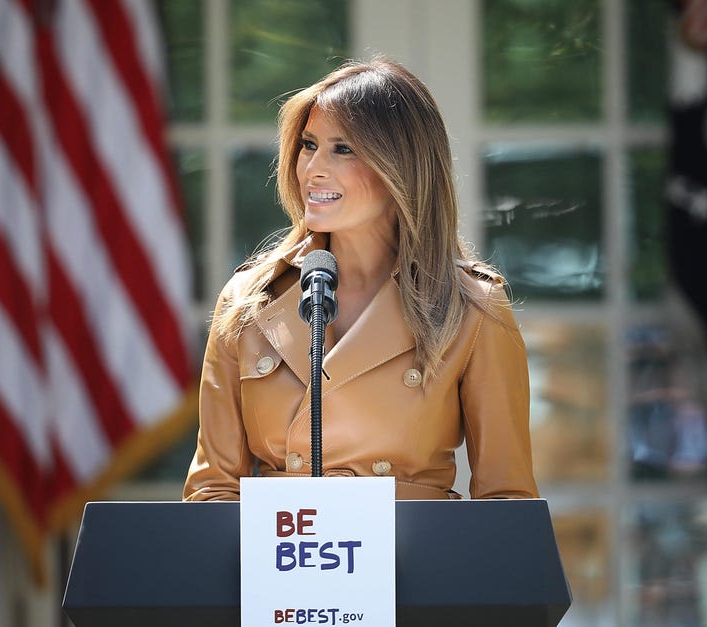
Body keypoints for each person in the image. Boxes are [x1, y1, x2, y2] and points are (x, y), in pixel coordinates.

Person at [182, 57, 538, 501]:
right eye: (308, 145)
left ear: (401, 167)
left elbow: (506, 504)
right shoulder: (248, 299)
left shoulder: (475, 307)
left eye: (343, 149)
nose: (312, 169)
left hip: (415, 561)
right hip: (280, 560)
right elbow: (212, 489)